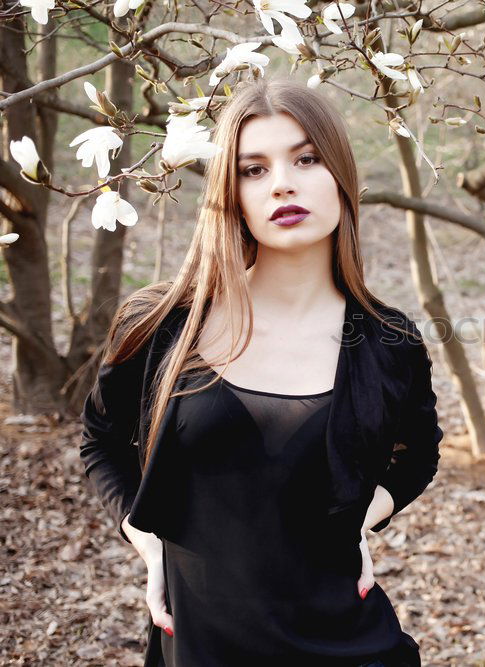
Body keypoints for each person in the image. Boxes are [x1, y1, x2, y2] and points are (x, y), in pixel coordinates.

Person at [78, 76, 443, 666]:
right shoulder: (164, 325)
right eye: (253, 169)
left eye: (306, 158)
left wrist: (363, 521)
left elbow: (419, 454)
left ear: (340, 176)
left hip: (349, 643)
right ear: (231, 193)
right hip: (200, 647)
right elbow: (101, 441)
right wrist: (149, 546)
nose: (282, 185)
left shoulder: (387, 340)